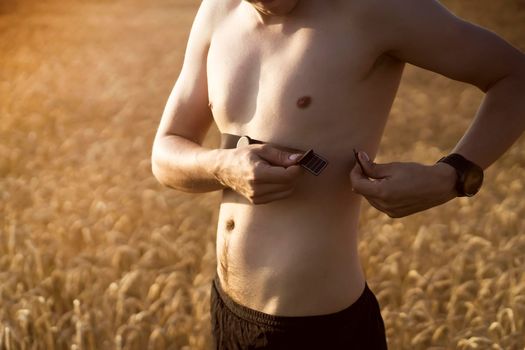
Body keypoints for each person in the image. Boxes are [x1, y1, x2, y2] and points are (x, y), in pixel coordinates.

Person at [151, 0, 525, 348]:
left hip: (318, 330)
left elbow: (514, 76)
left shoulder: (376, 7)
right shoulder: (218, 9)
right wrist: (222, 167)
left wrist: (451, 177)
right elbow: (166, 151)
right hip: (228, 311)